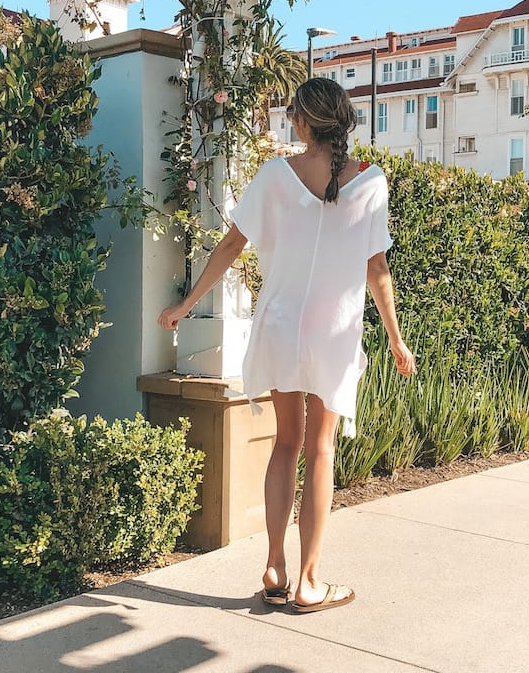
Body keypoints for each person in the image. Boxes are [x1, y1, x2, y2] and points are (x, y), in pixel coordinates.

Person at [158, 77, 415, 613]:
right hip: (333, 333)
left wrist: (186, 304)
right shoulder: (371, 182)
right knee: (321, 448)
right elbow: (377, 269)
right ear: (344, 121)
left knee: (285, 444)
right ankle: (309, 581)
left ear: (300, 121)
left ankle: (274, 567)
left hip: (278, 327)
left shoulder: (276, 175)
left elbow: (232, 243)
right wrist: (396, 339)